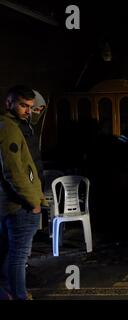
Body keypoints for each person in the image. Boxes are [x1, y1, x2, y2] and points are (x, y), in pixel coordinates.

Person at [0, 85, 47, 300]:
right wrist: (33, 202)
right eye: (23, 106)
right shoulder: (9, 128)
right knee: (19, 256)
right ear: (9, 103)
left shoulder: (18, 125)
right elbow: (14, 171)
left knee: (10, 254)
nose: (28, 111)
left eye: (30, 107)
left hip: (16, 203)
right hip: (20, 204)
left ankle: (7, 293)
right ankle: (19, 295)